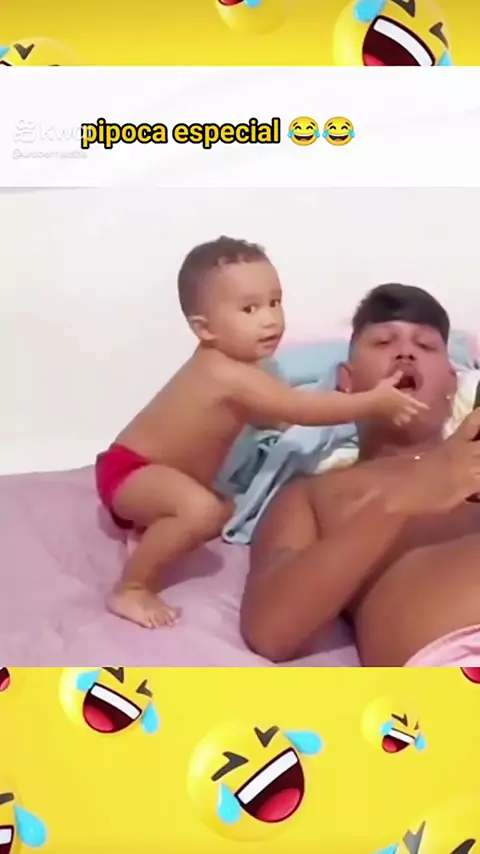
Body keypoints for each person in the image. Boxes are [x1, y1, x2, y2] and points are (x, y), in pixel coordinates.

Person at [95, 240, 423, 630]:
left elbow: (272, 416)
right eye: (249, 309)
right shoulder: (223, 371)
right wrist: (372, 402)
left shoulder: (252, 369)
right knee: (201, 513)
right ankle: (132, 587)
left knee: (218, 508)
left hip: (164, 477)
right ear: (204, 328)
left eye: (274, 302)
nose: (270, 319)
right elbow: (298, 410)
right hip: (130, 471)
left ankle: (157, 526)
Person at [241, 283, 480, 667]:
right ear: (347, 382)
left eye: (426, 346)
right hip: (454, 668)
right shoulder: (311, 495)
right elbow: (270, 630)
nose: (405, 352)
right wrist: (402, 500)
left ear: (452, 383)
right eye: (384, 342)